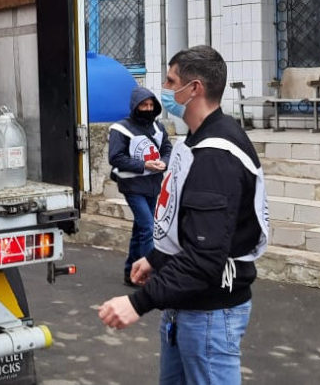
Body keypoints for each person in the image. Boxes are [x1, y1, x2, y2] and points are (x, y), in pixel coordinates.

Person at [98, 45, 269, 385]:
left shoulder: (216, 155)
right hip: (185, 306)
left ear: (194, 89)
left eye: (170, 80)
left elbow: (205, 257)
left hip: (210, 314)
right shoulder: (196, 140)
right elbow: (188, 223)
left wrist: (138, 304)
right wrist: (157, 257)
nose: (164, 89)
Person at [108, 87, 172, 286]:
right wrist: (144, 165)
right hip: (132, 185)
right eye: (144, 105)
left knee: (141, 229)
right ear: (135, 106)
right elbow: (116, 157)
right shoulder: (121, 128)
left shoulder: (158, 128)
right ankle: (148, 275)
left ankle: (131, 272)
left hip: (153, 184)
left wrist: (164, 161)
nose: (148, 108)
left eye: (151, 105)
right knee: (148, 227)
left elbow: (168, 149)